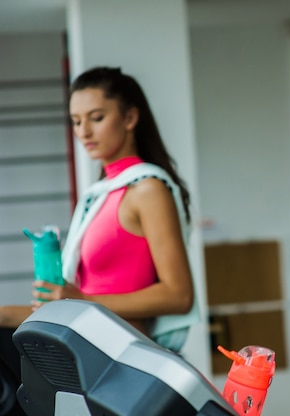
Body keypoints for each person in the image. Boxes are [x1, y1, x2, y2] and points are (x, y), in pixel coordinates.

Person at [0, 67, 200, 352]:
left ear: (130, 118)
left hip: (122, 355)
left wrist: (79, 299)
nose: (84, 132)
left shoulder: (146, 190)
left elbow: (179, 296)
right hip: (89, 341)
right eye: (76, 121)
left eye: (97, 118)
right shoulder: (99, 196)